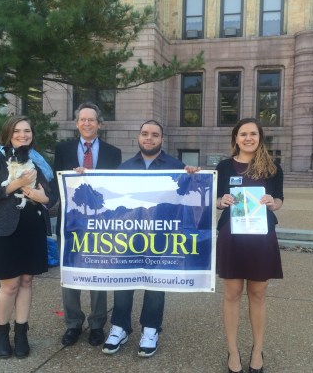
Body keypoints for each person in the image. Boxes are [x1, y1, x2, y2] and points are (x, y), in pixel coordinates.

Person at [102, 119, 199, 358]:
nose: (149, 138)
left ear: (162, 139)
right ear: (139, 137)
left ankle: (151, 328)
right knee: (124, 279)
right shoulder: (125, 166)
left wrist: (194, 176)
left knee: (156, 282)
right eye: (145, 133)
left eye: (154, 135)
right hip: (129, 234)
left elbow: (188, 198)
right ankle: (120, 326)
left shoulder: (175, 165)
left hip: (160, 235)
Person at [0, 116, 57, 359]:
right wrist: (17, 184)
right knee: (9, 285)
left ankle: (21, 332)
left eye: (27, 131)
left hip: (32, 226)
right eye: (17, 131)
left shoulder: (39, 160)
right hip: (5, 229)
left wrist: (44, 198)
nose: (23, 135)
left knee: (26, 282)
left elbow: (51, 197)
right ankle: (1, 333)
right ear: (9, 134)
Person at [215, 118, 284, 373]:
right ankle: (233, 351)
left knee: (258, 293)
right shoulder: (224, 167)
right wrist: (221, 201)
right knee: (232, 294)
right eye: (243, 134)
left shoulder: (272, 167)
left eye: (253, 134)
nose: (248, 138)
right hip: (232, 234)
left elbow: (279, 199)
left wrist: (271, 203)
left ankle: (257, 349)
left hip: (261, 235)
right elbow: (215, 199)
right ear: (235, 138)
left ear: (259, 137)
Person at [53, 102, 122, 347]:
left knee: (97, 273)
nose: (86, 123)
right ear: (76, 124)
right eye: (82, 119)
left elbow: (115, 189)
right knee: (70, 273)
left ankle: (96, 324)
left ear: (99, 124)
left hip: (101, 225)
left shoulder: (114, 153)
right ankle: (73, 323)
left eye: (91, 120)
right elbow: (56, 187)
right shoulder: (63, 150)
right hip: (70, 223)